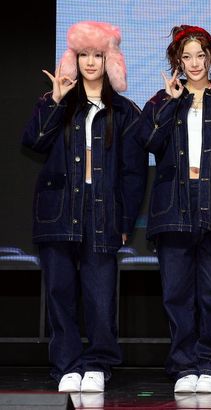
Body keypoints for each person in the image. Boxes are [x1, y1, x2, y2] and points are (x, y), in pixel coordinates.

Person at [22, 21, 147, 393]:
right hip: (58, 211)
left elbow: (134, 172)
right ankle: (66, 364)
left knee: (99, 294)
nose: (91, 62)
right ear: (73, 59)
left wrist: (125, 220)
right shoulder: (56, 102)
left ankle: (98, 363)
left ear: (110, 60)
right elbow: (33, 142)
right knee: (59, 291)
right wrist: (55, 101)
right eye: (84, 55)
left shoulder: (124, 111)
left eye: (98, 55)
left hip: (103, 213)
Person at [138, 25, 211, 394]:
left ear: (210, 57)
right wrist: (171, 103)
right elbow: (148, 142)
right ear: (177, 60)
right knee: (176, 292)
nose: (194, 63)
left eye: (200, 56)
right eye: (186, 57)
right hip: (173, 205)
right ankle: (184, 364)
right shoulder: (161, 101)